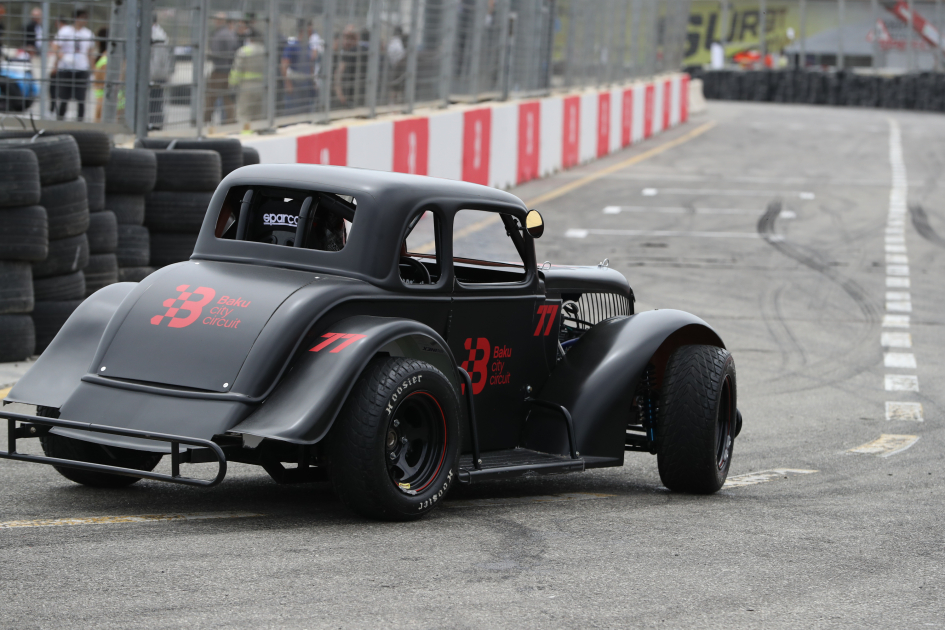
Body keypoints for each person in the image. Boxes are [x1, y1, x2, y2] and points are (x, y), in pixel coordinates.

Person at [51, 8, 95, 121]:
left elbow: (90, 53)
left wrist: (93, 69)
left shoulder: (88, 33)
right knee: (64, 97)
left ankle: (80, 121)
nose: (84, 21)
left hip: (81, 69)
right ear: (76, 18)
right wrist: (63, 57)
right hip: (66, 68)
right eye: (82, 18)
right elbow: (56, 47)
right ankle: (60, 120)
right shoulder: (65, 31)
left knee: (81, 98)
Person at [229, 28, 265, 132]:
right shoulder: (265, 51)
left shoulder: (244, 51)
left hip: (246, 87)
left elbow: (237, 71)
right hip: (262, 86)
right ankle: (258, 136)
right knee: (258, 115)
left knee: (244, 114)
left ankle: (246, 136)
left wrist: (232, 84)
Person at [206, 12, 238, 124]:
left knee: (210, 97)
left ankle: (205, 121)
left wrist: (209, 55)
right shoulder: (230, 34)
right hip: (229, 70)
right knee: (228, 98)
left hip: (219, 70)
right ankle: (230, 120)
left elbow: (216, 53)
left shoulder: (219, 35)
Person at [281, 20, 315, 116]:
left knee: (306, 112)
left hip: (306, 85)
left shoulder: (308, 46)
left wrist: (313, 81)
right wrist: (288, 84)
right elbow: (284, 66)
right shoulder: (292, 46)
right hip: (295, 85)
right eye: (310, 30)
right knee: (292, 112)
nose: (311, 33)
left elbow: (310, 65)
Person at [148, 16, 173, 130]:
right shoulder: (158, 33)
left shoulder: (157, 36)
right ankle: (153, 124)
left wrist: (150, 76)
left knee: (155, 102)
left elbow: (157, 60)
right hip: (157, 74)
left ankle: (155, 126)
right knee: (155, 102)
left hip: (156, 76)